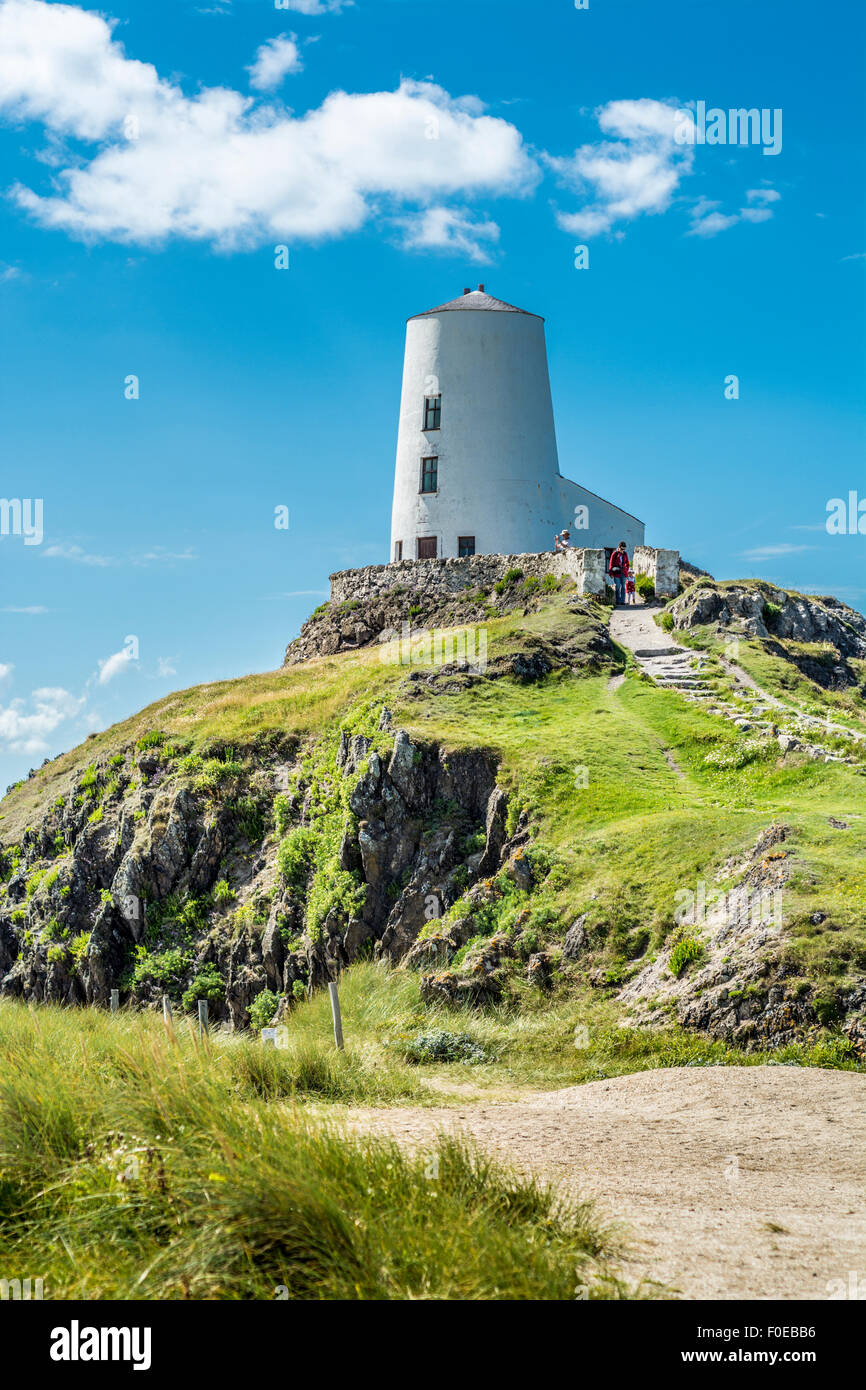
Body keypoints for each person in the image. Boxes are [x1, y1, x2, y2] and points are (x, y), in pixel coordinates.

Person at [609, 541, 629, 605]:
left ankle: (622, 601)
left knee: (623, 586)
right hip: (616, 573)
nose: (623, 550)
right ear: (619, 547)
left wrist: (627, 569)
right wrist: (611, 573)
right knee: (617, 586)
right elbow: (611, 563)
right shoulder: (614, 553)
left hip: (624, 572)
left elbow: (627, 563)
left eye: (624, 549)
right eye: (622, 549)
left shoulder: (625, 554)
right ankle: (618, 600)